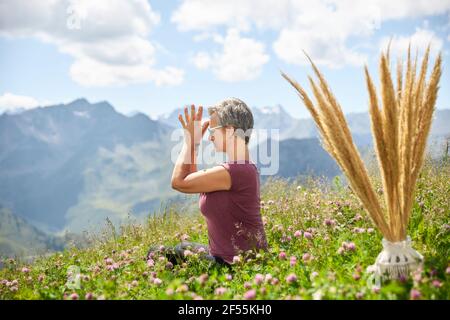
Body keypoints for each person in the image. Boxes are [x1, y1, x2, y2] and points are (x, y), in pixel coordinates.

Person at [147, 98, 268, 266]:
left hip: (234, 266)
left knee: (156, 254)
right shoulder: (240, 169)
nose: (210, 137)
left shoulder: (236, 171)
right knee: (178, 248)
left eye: (213, 130)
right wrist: (194, 145)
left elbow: (179, 182)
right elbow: (192, 180)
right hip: (230, 260)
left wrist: (190, 141)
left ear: (230, 131)